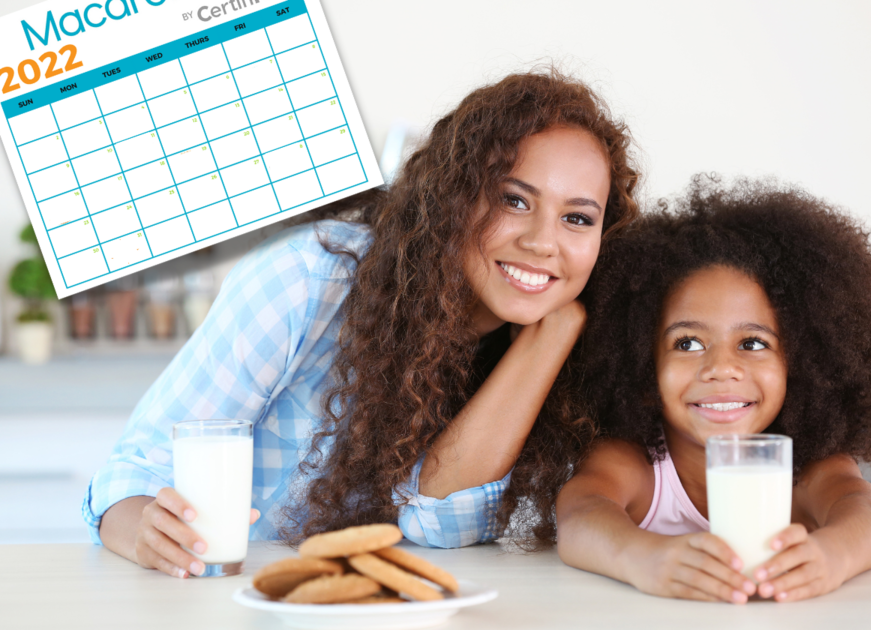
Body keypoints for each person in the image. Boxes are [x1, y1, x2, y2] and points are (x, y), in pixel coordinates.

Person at [84, 69, 640, 579]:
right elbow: (131, 476)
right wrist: (145, 534)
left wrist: (550, 337)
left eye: (576, 218)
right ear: (453, 198)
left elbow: (436, 522)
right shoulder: (305, 281)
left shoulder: (578, 352)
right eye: (514, 200)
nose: (543, 241)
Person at [556, 177, 871, 603]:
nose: (721, 369)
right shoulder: (639, 464)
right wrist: (643, 558)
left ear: (805, 365)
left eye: (753, 344)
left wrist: (832, 557)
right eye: (688, 343)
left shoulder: (806, 469)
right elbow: (579, 513)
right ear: (644, 370)